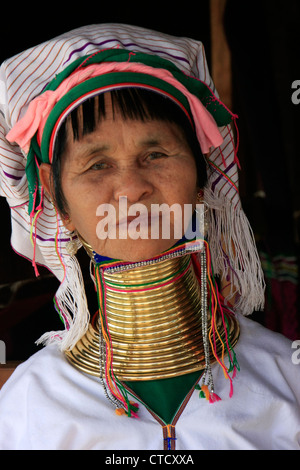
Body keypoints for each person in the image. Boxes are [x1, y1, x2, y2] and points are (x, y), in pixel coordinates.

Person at [0, 23, 299, 451]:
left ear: (201, 179)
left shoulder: (286, 379)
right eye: (97, 164)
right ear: (56, 198)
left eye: (155, 155)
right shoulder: (29, 404)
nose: (131, 188)